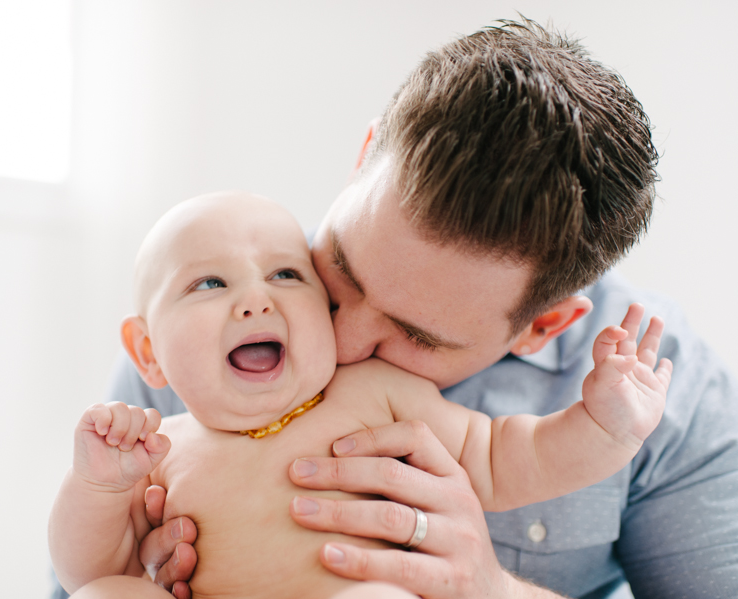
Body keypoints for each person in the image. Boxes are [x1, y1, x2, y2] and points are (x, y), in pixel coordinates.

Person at [53, 18, 738, 599]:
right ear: (364, 158)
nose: (340, 339)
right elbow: (72, 575)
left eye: (415, 334)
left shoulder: (662, 388)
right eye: (339, 269)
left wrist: (494, 589)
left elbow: (517, 456)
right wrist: (131, 559)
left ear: (541, 327)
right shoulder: (213, 313)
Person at [49, 191, 670, 599]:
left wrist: (604, 427)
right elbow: (88, 569)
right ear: (149, 352)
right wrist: (99, 487)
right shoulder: (160, 447)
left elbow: (512, 456)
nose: (256, 298)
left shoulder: (379, 394)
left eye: (285, 275)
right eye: (210, 282)